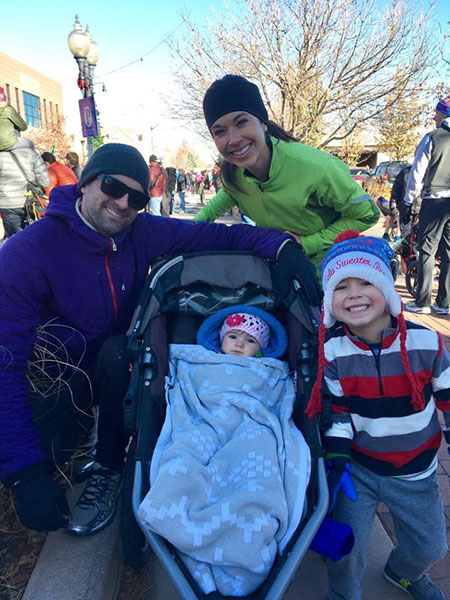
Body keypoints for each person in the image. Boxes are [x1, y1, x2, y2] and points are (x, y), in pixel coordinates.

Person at [0, 142, 319, 538]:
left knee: (118, 355)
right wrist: (23, 473)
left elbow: (219, 236)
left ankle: (109, 465)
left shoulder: (141, 231)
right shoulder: (26, 254)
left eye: (136, 198)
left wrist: (283, 247)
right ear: (85, 183)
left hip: (119, 362)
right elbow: (6, 364)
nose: (123, 203)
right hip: (59, 377)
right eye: (113, 187)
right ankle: (75, 446)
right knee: (43, 456)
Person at [305, 230, 450, 600]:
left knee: (431, 547)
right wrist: (337, 459)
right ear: (329, 301)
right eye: (341, 287)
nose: (353, 293)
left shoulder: (427, 343)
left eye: (365, 282)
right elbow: (339, 412)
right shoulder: (332, 351)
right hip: (361, 468)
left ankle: (402, 571)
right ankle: (342, 594)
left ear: (386, 287)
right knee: (347, 549)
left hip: (416, 472)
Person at [138, 306, 310, 596]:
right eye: (233, 336)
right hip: (204, 422)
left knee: (260, 452)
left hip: (252, 424)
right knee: (185, 454)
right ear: (221, 340)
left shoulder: (269, 371)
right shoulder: (200, 361)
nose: (240, 343)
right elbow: (186, 388)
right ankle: (189, 521)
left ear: (261, 349)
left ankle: (246, 532)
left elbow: (276, 402)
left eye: (250, 340)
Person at [194, 74, 379, 270]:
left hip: (328, 275)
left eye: (241, 122)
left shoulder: (318, 169)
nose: (233, 139)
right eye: (220, 131)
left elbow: (367, 215)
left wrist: (308, 242)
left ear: (263, 122)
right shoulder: (235, 176)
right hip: (277, 274)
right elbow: (205, 217)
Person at [404, 94, 450, 315]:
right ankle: (443, 303)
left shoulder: (432, 137)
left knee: (426, 250)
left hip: (435, 199)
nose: (434, 117)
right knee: (449, 252)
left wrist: (408, 201)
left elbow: (417, 172)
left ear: (443, 113)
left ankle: (422, 302)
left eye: (436, 112)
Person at [0, 138, 50, 237]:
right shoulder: (32, 153)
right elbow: (45, 182)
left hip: (8, 204)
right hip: (31, 202)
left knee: (14, 240)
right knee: (34, 236)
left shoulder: (1, 155)